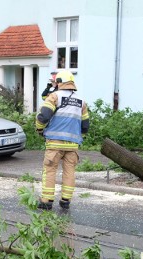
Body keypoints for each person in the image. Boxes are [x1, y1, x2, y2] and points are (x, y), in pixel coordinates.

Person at [35, 70, 89, 210]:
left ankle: (46, 201)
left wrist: (39, 129)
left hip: (55, 143)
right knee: (69, 171)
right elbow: (85, 126)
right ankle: (65, 201)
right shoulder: (81, 101)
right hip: (73, 145)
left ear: (59, 82)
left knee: (50, 170)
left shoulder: (54, 96)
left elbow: (43, 117)